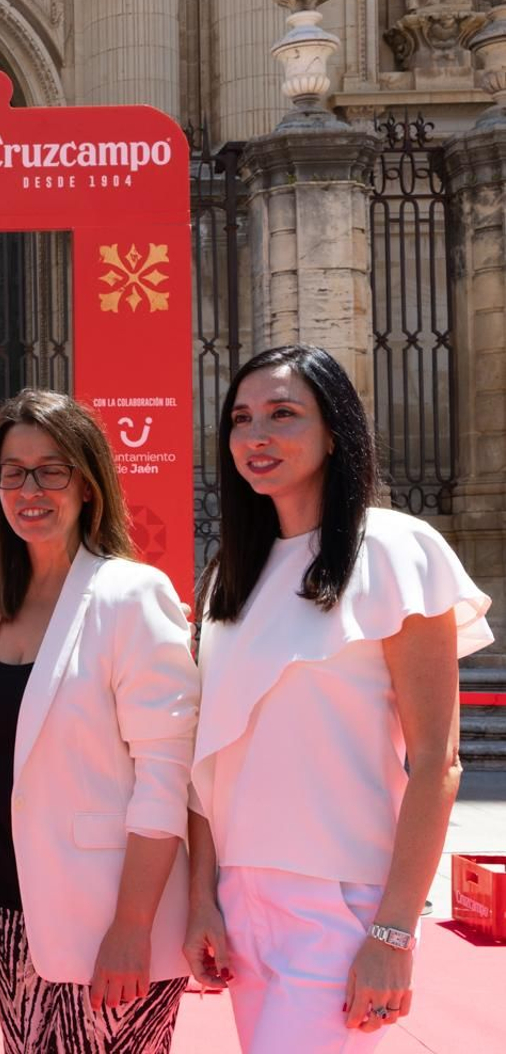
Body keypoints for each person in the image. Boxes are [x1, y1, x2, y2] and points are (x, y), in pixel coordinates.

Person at [186, 346, 493, 1052]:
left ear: (335, 433)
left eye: (283, 414)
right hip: (240, 900)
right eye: (241, 418)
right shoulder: (227, 579)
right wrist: (202, 895)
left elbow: (436, 764)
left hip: (339, 902)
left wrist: (393, 930)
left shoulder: (395, 550)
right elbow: (209, 757)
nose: (256, 435)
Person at [0, 389, 196, 1052]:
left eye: (51, 469)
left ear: (87, 484)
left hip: (109, 914)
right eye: (11, 470)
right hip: (12, 911)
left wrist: (132, 924)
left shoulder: (131, 595)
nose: (30, 488)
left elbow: (165, 776)